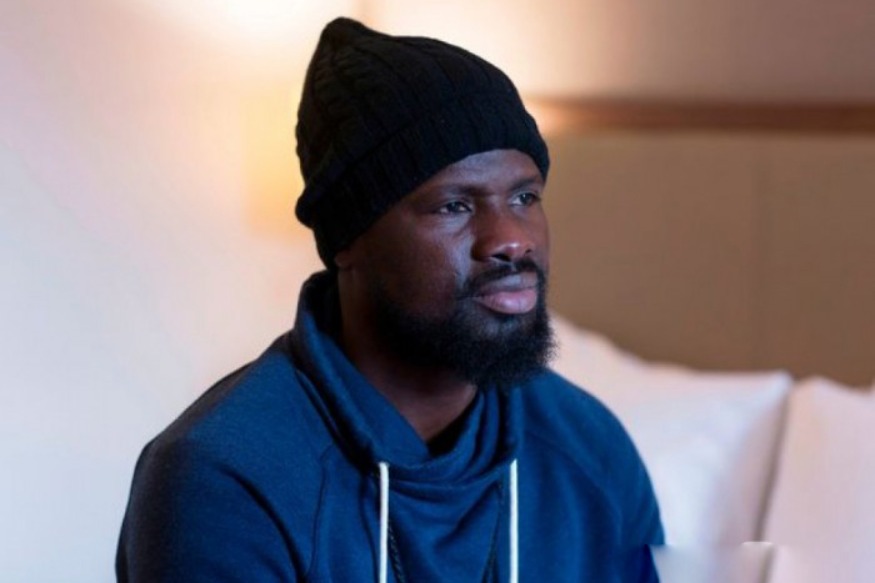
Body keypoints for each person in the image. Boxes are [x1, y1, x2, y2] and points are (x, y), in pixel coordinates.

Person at [116, 17, 663, 583]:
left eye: (524, 197)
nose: (511, 239)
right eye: (454, 205)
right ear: (349, 239)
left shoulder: (591, 448)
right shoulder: (223, 479)